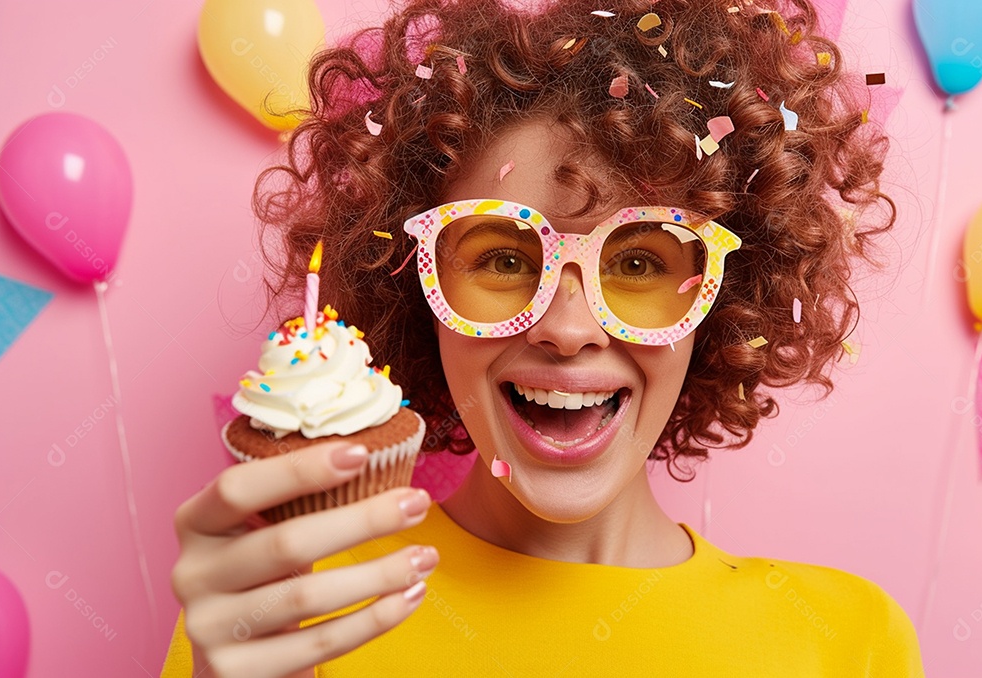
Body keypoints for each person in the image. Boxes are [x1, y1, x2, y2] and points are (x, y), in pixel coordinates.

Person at [161, 0, 924, 675]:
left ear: (724, 300)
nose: (565, 329)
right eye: (500, 258)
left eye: (636, 262)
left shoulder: (847, 644)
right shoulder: (282, 611)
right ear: (414, 285)